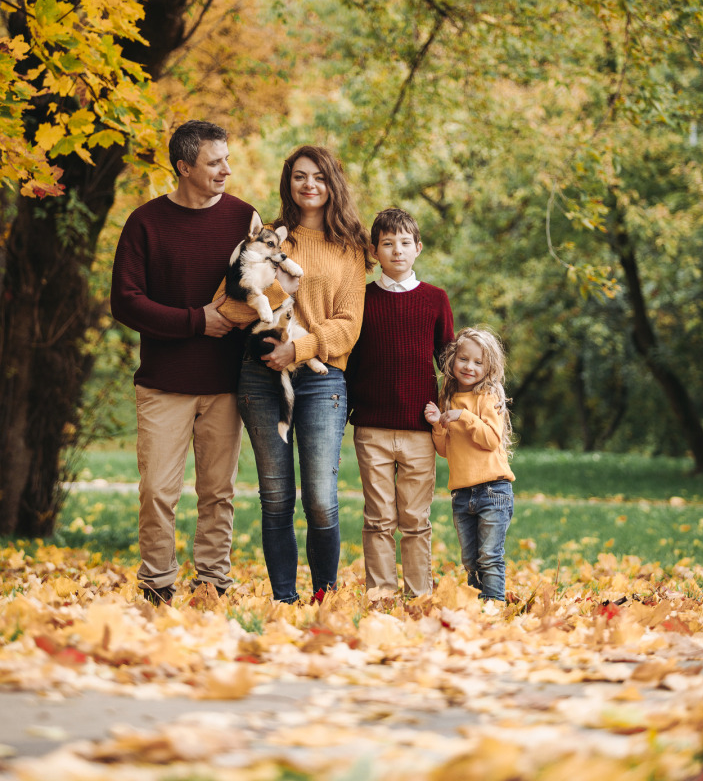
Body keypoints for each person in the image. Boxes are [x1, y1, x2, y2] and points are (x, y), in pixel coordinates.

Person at [111, 119, 259, 605]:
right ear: (184, 167)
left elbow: (267, 286)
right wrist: (198, 321)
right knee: (157, 490)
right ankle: (157, 583)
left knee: (218, 492)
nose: (226, 170)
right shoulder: (145, 223)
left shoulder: (245, 219)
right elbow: (126, 303)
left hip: (225, 383)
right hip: (163, 383)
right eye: (215, 162)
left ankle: (214, 581)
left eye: (227, 160)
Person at [221, 145, 372, 604]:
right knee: (276, 496)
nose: (309, 185)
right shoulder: (268, 238)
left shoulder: (349, 248)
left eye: (319, 177)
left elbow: (349, 324)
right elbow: (230, 303)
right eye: (300, 176)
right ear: (289, 182)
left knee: (322, 499)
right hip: (260, 374)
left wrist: (299, 348)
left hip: (322, 377)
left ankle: (324, 599)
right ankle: (284, 602)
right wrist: (273, 289)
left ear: (333, 184)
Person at [347, 208, 454, 597]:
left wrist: (446, 415)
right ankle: (381, 596)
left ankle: (419, 596)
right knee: (378, 519)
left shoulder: (435, 300)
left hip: (420, 431)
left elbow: (449, 362)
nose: (397, 250)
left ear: (418, 248)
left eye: (405, 243)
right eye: (388, 244)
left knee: (415, 519)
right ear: (374, 251)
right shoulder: (361, 300)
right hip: (372, 428)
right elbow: (350, 362)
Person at [425, 327, 515, 605]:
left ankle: (494, 606)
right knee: (470, 559)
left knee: (489, 555)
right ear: (452, 359)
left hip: (493, 490)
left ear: (489, 368)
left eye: (478, 362)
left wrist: (463, 416)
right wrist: (437, 423)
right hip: (462, 494)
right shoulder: (448, 398)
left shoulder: (487, 397)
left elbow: (490, 439)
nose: (469, 367)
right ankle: (476, 606)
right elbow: (443, 450)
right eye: (464, 359)